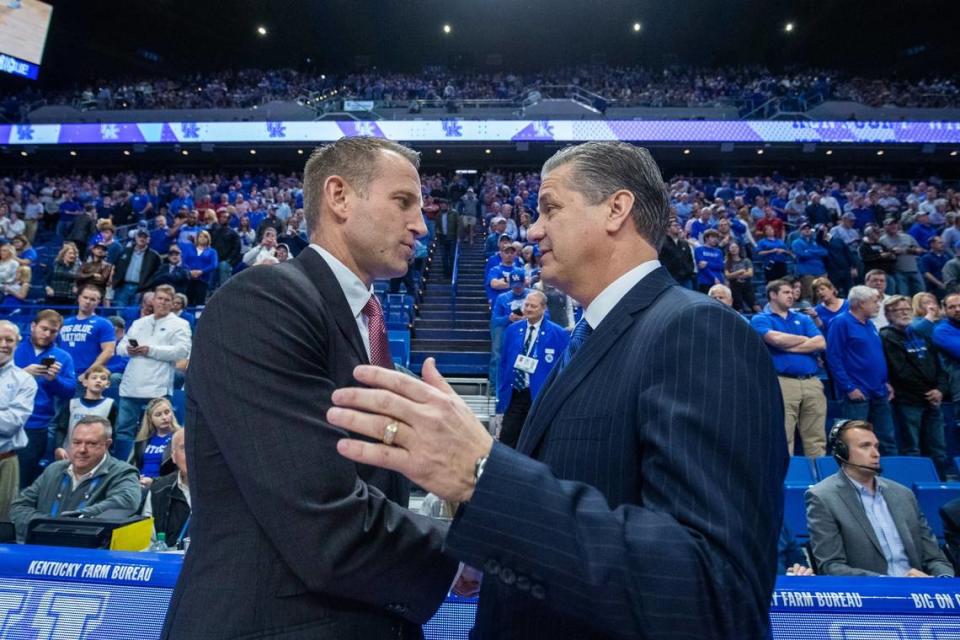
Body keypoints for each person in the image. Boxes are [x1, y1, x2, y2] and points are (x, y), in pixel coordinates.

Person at [329, 141, 786, 639]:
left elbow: (712, 593)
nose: (533, 229)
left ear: (617, 209)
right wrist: (493, 550)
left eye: (550, 208)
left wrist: (483, 477)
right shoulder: (585, 341)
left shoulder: (698, 332)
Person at [162, 138, 460, 640]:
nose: (421, 225)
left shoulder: (362, 320)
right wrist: (464, 555)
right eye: (403, 202)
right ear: (339, 197)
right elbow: (322, 517)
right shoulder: (266, 300)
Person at [805, 420, 954, 577]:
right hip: (870, 595)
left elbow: (936, 559)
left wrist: (941, 581)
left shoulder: (903, 494)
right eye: (865, 446)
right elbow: (831, 567)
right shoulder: (823, 497)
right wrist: (888, 582)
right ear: (842, 452)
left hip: (918, 592)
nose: (876, 453)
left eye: (876, 446)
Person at [9, 416, 141, 543]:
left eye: (91, 443)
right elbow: (19, 507)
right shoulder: (54, 469)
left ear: (107, 445)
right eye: (76, 442)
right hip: (41, 549)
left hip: (87, 555)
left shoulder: (122, 472)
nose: (82, 449)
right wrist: (49, 525)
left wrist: (74, 520)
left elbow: (127, 502)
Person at [114, 285, 191, 463]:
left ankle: (152, 467)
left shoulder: (180, 324)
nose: (162, 302)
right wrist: (129, 350)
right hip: (131, 384)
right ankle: (121, 466)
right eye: (160, 298)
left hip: (157, 386)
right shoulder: (139, 323)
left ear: (173, 304)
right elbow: (119, 347)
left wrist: (151, 350)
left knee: (160, 429)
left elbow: (182, 351)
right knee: (123, 428)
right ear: (153, 300)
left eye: (167, 300)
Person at [751, 279, 828, 457]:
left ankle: (818, 480)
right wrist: (804, 340)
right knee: (784, 435)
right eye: (786, 292)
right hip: (783, 382)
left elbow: (821, 343)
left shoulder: (804, 318)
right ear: (772, 295)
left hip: (811, 382)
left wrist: (788, 345)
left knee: (816, 437)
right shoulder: (761, 319)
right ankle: (786, 480)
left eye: (792, 292)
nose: (792, 295)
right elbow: (775, 340)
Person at [879, 296, 949, 477]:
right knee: (913, 449)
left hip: (933, 401)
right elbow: (900, 372)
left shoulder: (922, 334)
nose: (904, 312)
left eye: (907, 309)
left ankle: (940, 487)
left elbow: (939, 366)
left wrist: (940, 390)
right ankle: (916, 486)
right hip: (908, 401)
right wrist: (928, 392)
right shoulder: (887, 337)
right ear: (887, 314)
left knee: (938, 449)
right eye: (898, 310)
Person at [826, 286, 898, 455]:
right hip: (857, 393)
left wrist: (886, 382)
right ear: (860, 303)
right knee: (855, 441)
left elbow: (875, 356)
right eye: (874, 302)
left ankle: (889, 477)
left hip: (879, 391)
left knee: (886, 438)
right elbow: (833, 357)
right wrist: (848, 387)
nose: (878, 305)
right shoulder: (841, 322)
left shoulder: (870, 324)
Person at [497, 291, 569, 449]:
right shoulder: (512, 330)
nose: (528, 309)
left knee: (536, 442)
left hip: (540, 396)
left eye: (533, 306)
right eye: (526, 305)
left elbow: (565, 367)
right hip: (515, 393)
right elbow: (503, 363)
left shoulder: (558, 334)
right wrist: (501, 393)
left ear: (543, 308)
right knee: (507, 440)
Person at [13, 310, 76, 487]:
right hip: (6, 419)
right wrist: (23, 374)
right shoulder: (13, 349)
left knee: (24, 478)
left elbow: (70, 391)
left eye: (53, 331)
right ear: (33, 326)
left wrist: (54, 380)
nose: (47, 334)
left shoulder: (63, 357)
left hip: (37, 425)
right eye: (44, 328)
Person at [0, 321, 37, 520]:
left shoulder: (24, 380)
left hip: (5, 460)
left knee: (1, 523)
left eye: (9, 340)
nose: (4, 344)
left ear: (17, 343)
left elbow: (11, 423)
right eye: (0, 339)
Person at [58, 285, 116, 384]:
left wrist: (88, 373)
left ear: (98, 302)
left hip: (85, 377)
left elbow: (109, 351)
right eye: (85, 297)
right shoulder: (64, 323)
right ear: (79, 298)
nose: (88, 302)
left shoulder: (104, 324)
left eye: (92, 299)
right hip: (62, 375)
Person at [56, 364, 116, 459]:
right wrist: (58, 447)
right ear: (85, 382)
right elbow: (61, 428)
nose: (98, 380)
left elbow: (113, 433)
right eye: (94, 378)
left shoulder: (110, 404)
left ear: (108, 384)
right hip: (70, 453)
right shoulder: (72, 403)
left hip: (96, 455)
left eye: (103, 378)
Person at [145, 428, 191, 547]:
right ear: (174, 456)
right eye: (184, 448)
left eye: (198, 446)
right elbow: (148, 543)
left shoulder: (226, 490)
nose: (192, 453)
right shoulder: (158, 490)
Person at [133, 397, 181, 488]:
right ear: (150, 419)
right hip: (140, 485)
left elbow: (181, 471)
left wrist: (154, 482)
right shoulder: (141, 441)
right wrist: (135, 478)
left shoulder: (180, 438)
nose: (164, 417)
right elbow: (132, 467)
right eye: (158, 415)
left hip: (164, 487)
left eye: (167, 412)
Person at [112, 230, 162, 307]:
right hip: (123, 287)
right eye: (140, 236)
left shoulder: (154, 256)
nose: (142, 239)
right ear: (136, 238)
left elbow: (157, 274)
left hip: (141, 289)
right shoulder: (125, 251)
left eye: (144, 237)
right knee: (119, 310)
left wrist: (147, 286)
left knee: (135, 312)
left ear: (148, 240)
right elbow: (116, 266)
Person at [180, 230, 219, 305]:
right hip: (189, 278)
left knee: (200, 301)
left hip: (203, 280)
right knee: (188, 300)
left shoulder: (212, 251)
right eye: (200, 236)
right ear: (197, 238)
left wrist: (201, 271)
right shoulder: (189, 248)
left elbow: (214, 265)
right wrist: (190, 272)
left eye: (205, 237)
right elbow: (184, 262)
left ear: (208, 239)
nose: (202, 238)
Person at [660, 218, 694, 289]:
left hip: (686, 277)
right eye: (675, 225)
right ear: (668, 228)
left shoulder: (684, 243)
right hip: (671, 278)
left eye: (678, 225)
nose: (678, 227)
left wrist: (689, 270)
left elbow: (689, 259)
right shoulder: (662, 243)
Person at [723, 240, 757, 312]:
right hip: (734, 287)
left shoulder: (746, 260)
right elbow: (727, 276)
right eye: (732, 247)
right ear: (729, 249)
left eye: (736, 247)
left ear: (739, 249)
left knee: (756, 307)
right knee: (738, 309)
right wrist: (740, 271)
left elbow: (750, 274)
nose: (734, 249)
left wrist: (734, 275)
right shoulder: (727, 262)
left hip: (747, 286)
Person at [43, 242, 80, 307]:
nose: (72, 255)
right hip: (53, 297)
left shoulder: (78, 266)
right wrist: (47, 288)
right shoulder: (54, 264)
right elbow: (45, 279)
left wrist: (77, 286)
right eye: (70, 253)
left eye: (74, 254)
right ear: (63, 254)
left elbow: (79, 280)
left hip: (69, 298)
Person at [694, 228, 725, 293]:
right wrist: (714, 278)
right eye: (713, 237)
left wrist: (707, 263)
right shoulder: (699, 250)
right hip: (705, 281)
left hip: (719, 281)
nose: (715, 239)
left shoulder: (719, 251)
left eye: (716, 237)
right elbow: (703, 268)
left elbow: (720, 266)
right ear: (706, 238)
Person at [436, 199, 460, 278]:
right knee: (444, 256)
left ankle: (453, 273)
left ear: (447, 205)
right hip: (442, 237)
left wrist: (459, 236)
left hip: (452, 237)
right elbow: (437, 225)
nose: (442, 206)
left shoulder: (454, 213)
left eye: (444, 204)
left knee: (452, 256)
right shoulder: (439, 214)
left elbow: (459, 225)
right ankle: (446, 273)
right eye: (441, 205)